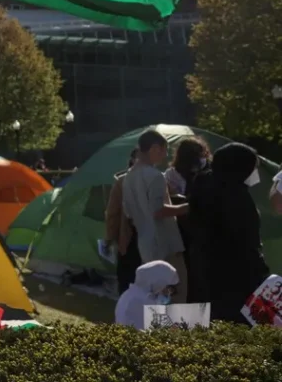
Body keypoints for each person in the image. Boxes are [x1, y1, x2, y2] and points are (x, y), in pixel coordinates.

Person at [188, 142, 269, 322]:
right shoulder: (237, 196)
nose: (254, 173)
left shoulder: (203, 185)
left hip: (204, 270)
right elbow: (247, 241)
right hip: (237, 277)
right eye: (253, 167)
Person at [122, 130, 189, 303]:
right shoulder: (155, 176)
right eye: (164, 150)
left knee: (154, 296)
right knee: (177, 294)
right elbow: (158, 211)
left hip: (145, 244)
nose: (165, 155)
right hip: (165, 244)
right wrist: (187, 207)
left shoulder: (128, 176)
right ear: (154, 148)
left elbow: (129, 213)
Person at [106, 148, 142, 294]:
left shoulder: (158, 178)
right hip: (129, 236)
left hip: (145, 237)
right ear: (132, 159)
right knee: (128, 276)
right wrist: (110, 237)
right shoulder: (122, 182)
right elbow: (112, 213)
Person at [114, 260, 179, 330]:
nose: (168, 294)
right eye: (167, 288)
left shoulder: (129, 295)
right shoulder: (140, 301)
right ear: (158, 282)